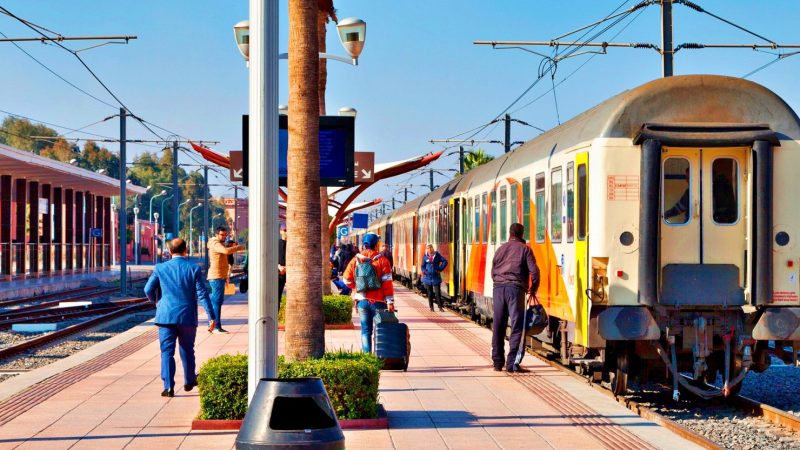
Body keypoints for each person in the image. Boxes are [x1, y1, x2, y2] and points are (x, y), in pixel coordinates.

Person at [144, 238, 212, 398]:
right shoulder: (193, 268)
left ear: (169, 251)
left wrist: (156, 302)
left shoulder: (160, 268)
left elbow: (148, 289)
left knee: (167, 352)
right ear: (185, 250)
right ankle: (189, 381)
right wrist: (211, 316)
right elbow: (202, 294)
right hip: (187, 316)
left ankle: (168, 387)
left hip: (165, 316)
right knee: (188, 349)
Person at [491, 223, 540, 373]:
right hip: (516, 290)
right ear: (521, 234)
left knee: (498, 326)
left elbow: (492, 270)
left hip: (498, 289)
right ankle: (512, 364)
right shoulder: (525, 250)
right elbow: (535, 272)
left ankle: (497, 363)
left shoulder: (500, 249)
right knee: (517, 327)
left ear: (510, 234)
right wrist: (533, 289)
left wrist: (498, 282)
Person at [343, 233, 394, 353]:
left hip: (362, 301)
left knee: (365, 331)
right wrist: (390, 301)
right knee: (379, 329)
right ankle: (380, 355)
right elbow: (387, 283)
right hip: (379, 301)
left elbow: (346, 279)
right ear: (376, 245)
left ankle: (367, 356)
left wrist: (357, 287)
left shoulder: (355, 260)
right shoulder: (382, 260)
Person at [207, 226, 244, 334]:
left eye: (225, 235)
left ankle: (213, 325)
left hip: (220, 276)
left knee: (217, 301)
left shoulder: (219, 242)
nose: (224, 237)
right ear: (216, 234)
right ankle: (216, 327)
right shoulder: (215, 243)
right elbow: (225, 251)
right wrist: (239, 247)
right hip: (216, 276)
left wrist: (226, 276)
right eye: (222, 235)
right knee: (217, 302)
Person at [420, 244, 448, 312]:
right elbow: (422, 266)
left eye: (430, 249)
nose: (429, 251)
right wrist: (425, 271)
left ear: (432, 249)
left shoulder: (437, 255)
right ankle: (431, 307)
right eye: (428, 249)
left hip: (436, 277)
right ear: (427, 250)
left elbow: (445, 261)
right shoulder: (425, 257)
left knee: (438, 293)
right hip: (428, 278)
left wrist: (440, 268)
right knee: (430, 293)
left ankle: (440, 307)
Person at [278, 224, 287, 297]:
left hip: (291, 274)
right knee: (277, 296)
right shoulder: (276, 244)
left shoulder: (294, 244)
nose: (286, 232)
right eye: (285, 230)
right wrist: (279, 267)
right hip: (280, 274)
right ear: (280, 231)